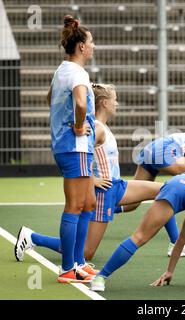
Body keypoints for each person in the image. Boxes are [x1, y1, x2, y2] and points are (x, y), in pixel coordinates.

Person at [14, 84, 185, 267]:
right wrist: (93, 179)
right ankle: (32, 237)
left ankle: (177, 243)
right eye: (115, 100)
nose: (117, 104)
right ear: (104, 103)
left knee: (166, 190)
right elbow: (76, 154)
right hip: (103, 192)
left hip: (117, 186)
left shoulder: (102, 126)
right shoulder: (97, 128)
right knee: (86, 252)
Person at [15, 15, 97, 283]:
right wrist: (77, 124)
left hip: (70, 147)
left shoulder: (62, 69)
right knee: (75, 205)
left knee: (87, 204)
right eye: (91, 42)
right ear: (81, 47)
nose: (94, 46)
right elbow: (81, 103)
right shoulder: (77, 73)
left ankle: (78, 262)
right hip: (75, 145)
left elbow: (50, 97)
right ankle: (67, 268)